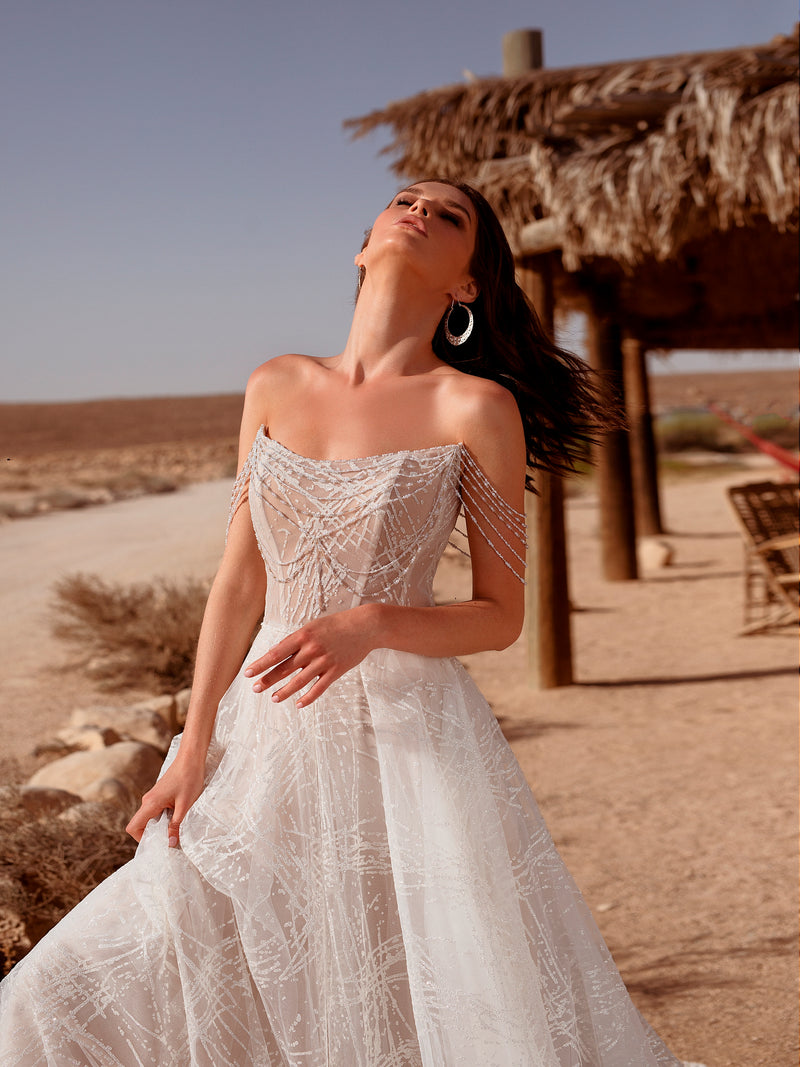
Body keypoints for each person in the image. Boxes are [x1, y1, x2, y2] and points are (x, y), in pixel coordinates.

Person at [0, 180, 704, 1066]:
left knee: (402, 990)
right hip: (265, 730)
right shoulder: (276, 383)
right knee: (86, 973)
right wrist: (192, 743)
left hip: (402, 747)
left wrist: (370, 622)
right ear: (362, 246)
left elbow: (500, 618)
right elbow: (238, 581)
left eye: (450, 218)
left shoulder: (476, 409)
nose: (418, 211)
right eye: (405, 201)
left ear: (467, 287)